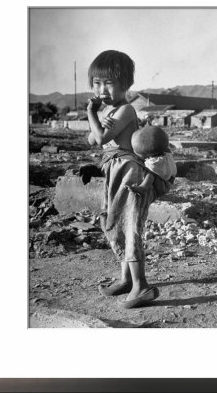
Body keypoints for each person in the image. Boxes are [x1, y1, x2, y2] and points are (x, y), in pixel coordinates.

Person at [87, 50, 159, 309]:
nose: (102, 89)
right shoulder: (109, 110)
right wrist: (97, 119)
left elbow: (102, 139)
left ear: (126, 84)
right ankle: (126, 279)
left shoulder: (126, 109)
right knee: (115, 222)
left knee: (130, 225)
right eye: (96, 83)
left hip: (129, 172)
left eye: (109, 83)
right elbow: (92, 139)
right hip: (114, 170)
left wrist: (91, 114)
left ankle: (141, 286)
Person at [127, 126, 177, 197]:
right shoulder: (167, 153)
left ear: (146, 155)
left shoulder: (153, 163)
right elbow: (159, 142)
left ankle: (143, 187)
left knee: (150, 174)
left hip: (160, 181)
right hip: (170, 176)